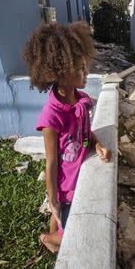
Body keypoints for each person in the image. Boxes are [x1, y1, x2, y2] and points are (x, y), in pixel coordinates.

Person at [23, 21, 111, 254]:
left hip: (76, 180)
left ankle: (53, 233)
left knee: (60, 218)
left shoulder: (79, 98)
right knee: (73, 233)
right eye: (81, 69)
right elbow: (51, 164)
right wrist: (53, 201)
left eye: (85, 66)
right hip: (65, 187)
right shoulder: (51, 118)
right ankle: (47, 238)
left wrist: (98, 144)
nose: (87, 72)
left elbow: (85, 132)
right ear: (61, 74)